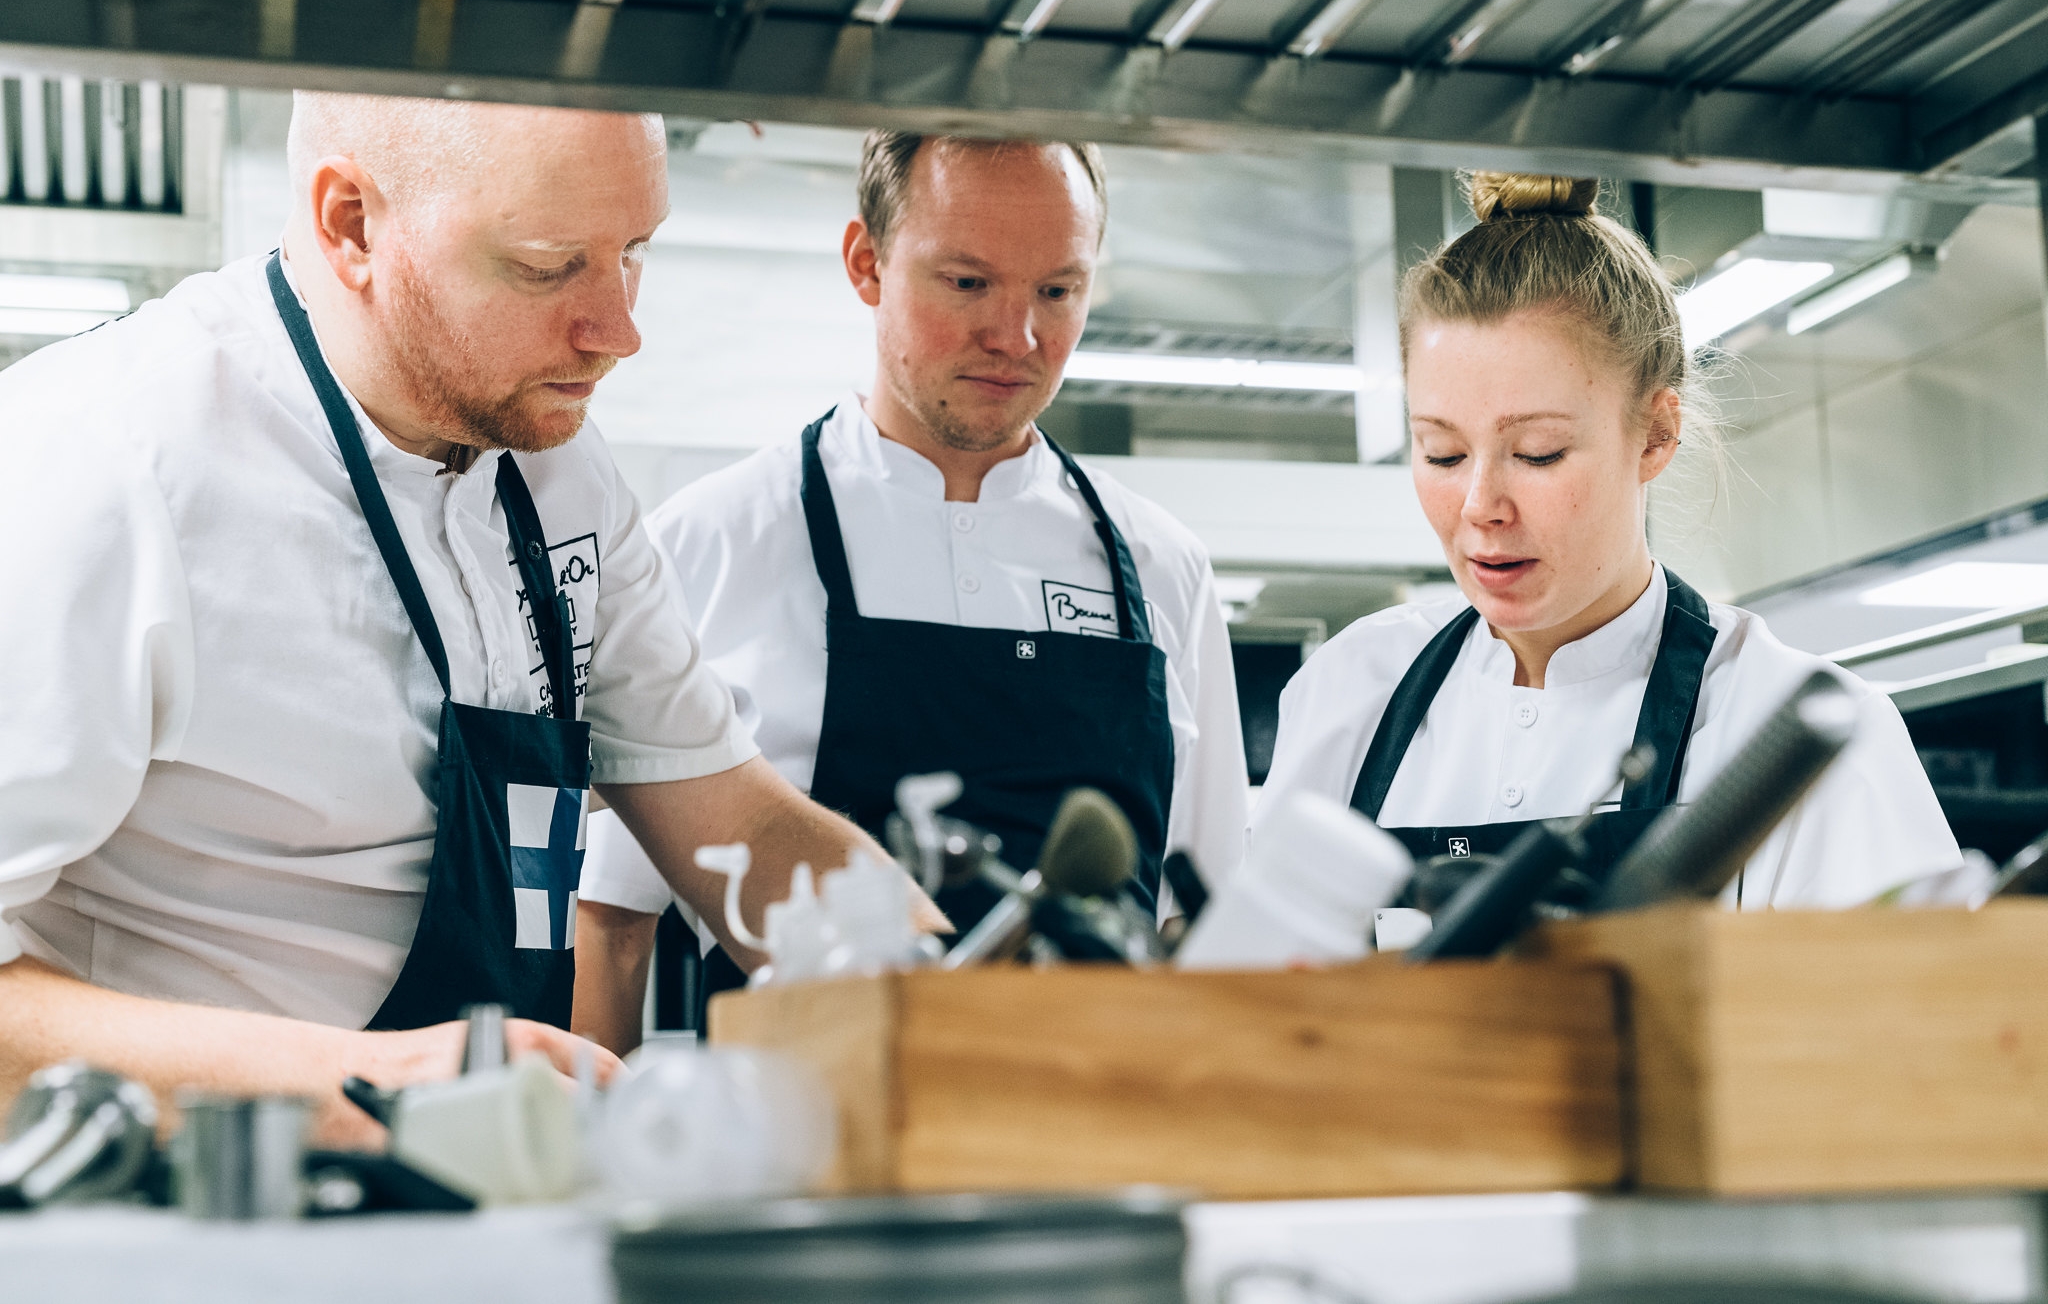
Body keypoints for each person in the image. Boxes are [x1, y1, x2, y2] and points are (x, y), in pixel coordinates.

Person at [0, 92, 935, 1144]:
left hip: (477, 1215)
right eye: (545, 267)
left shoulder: (559, 471)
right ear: (351, 221)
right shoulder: (101, 466)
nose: (620, 330)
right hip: (193, 1227)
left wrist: (986, 1008)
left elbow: (736, 822)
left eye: (633, 251)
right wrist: (361, 1084)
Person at [572, 131, 1247, 1050]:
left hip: (1105, 1138)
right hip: (806, 1146)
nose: (1017, 336)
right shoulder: (711, 542)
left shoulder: (1165, 567)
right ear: (867, 262)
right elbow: (612, 928)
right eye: (966, 282)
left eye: (1058, 290)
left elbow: (1201, 925)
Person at [1259, 172, 1958, 910]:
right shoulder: (1349, 691)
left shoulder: (1797, 732)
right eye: (1441, 453)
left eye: (1538, 453)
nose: (1480, 506)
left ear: (1657, 433)